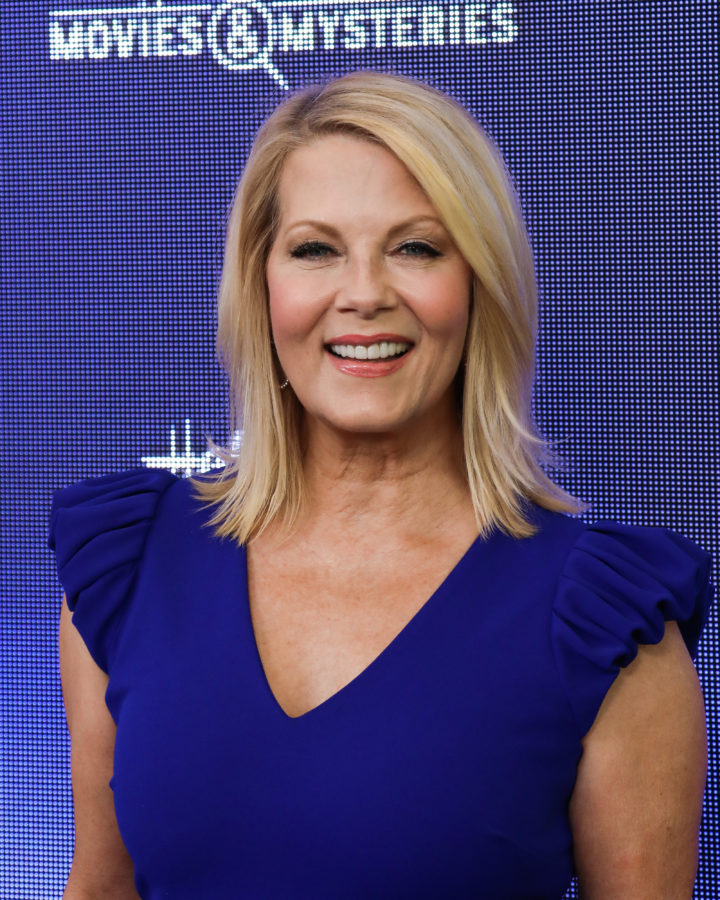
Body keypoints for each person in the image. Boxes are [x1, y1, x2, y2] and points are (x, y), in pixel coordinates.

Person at [49, 71, 713, 900]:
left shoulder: (602, 620)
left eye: (417, 248)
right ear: (261, 284)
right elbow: (100, 887)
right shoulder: (126, 569)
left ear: (478, 285)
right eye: (315, 250)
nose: (364, 294)